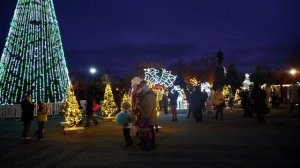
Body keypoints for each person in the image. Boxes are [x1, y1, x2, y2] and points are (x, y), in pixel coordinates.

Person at [138, 80, 156, 150]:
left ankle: (149, 145)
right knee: (149, 131)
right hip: (148, 116)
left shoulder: (149, 96)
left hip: (148, 117)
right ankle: (150, 144)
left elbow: (149, 107)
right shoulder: (147, 95)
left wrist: (146, 116)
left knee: (149, 132)